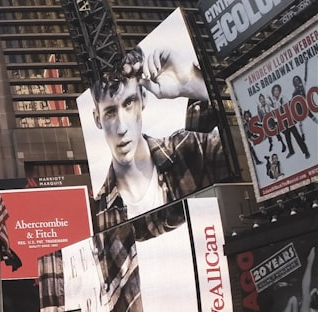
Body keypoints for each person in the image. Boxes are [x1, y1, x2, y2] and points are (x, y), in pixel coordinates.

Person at [90, 44, 225, 232]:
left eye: (129, 103)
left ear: (143, 99)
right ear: (97, 119)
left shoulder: (190, 150)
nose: (121, 128)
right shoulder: (99, 214)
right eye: (110, 112)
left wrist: (193, 83)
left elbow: (256, 147)